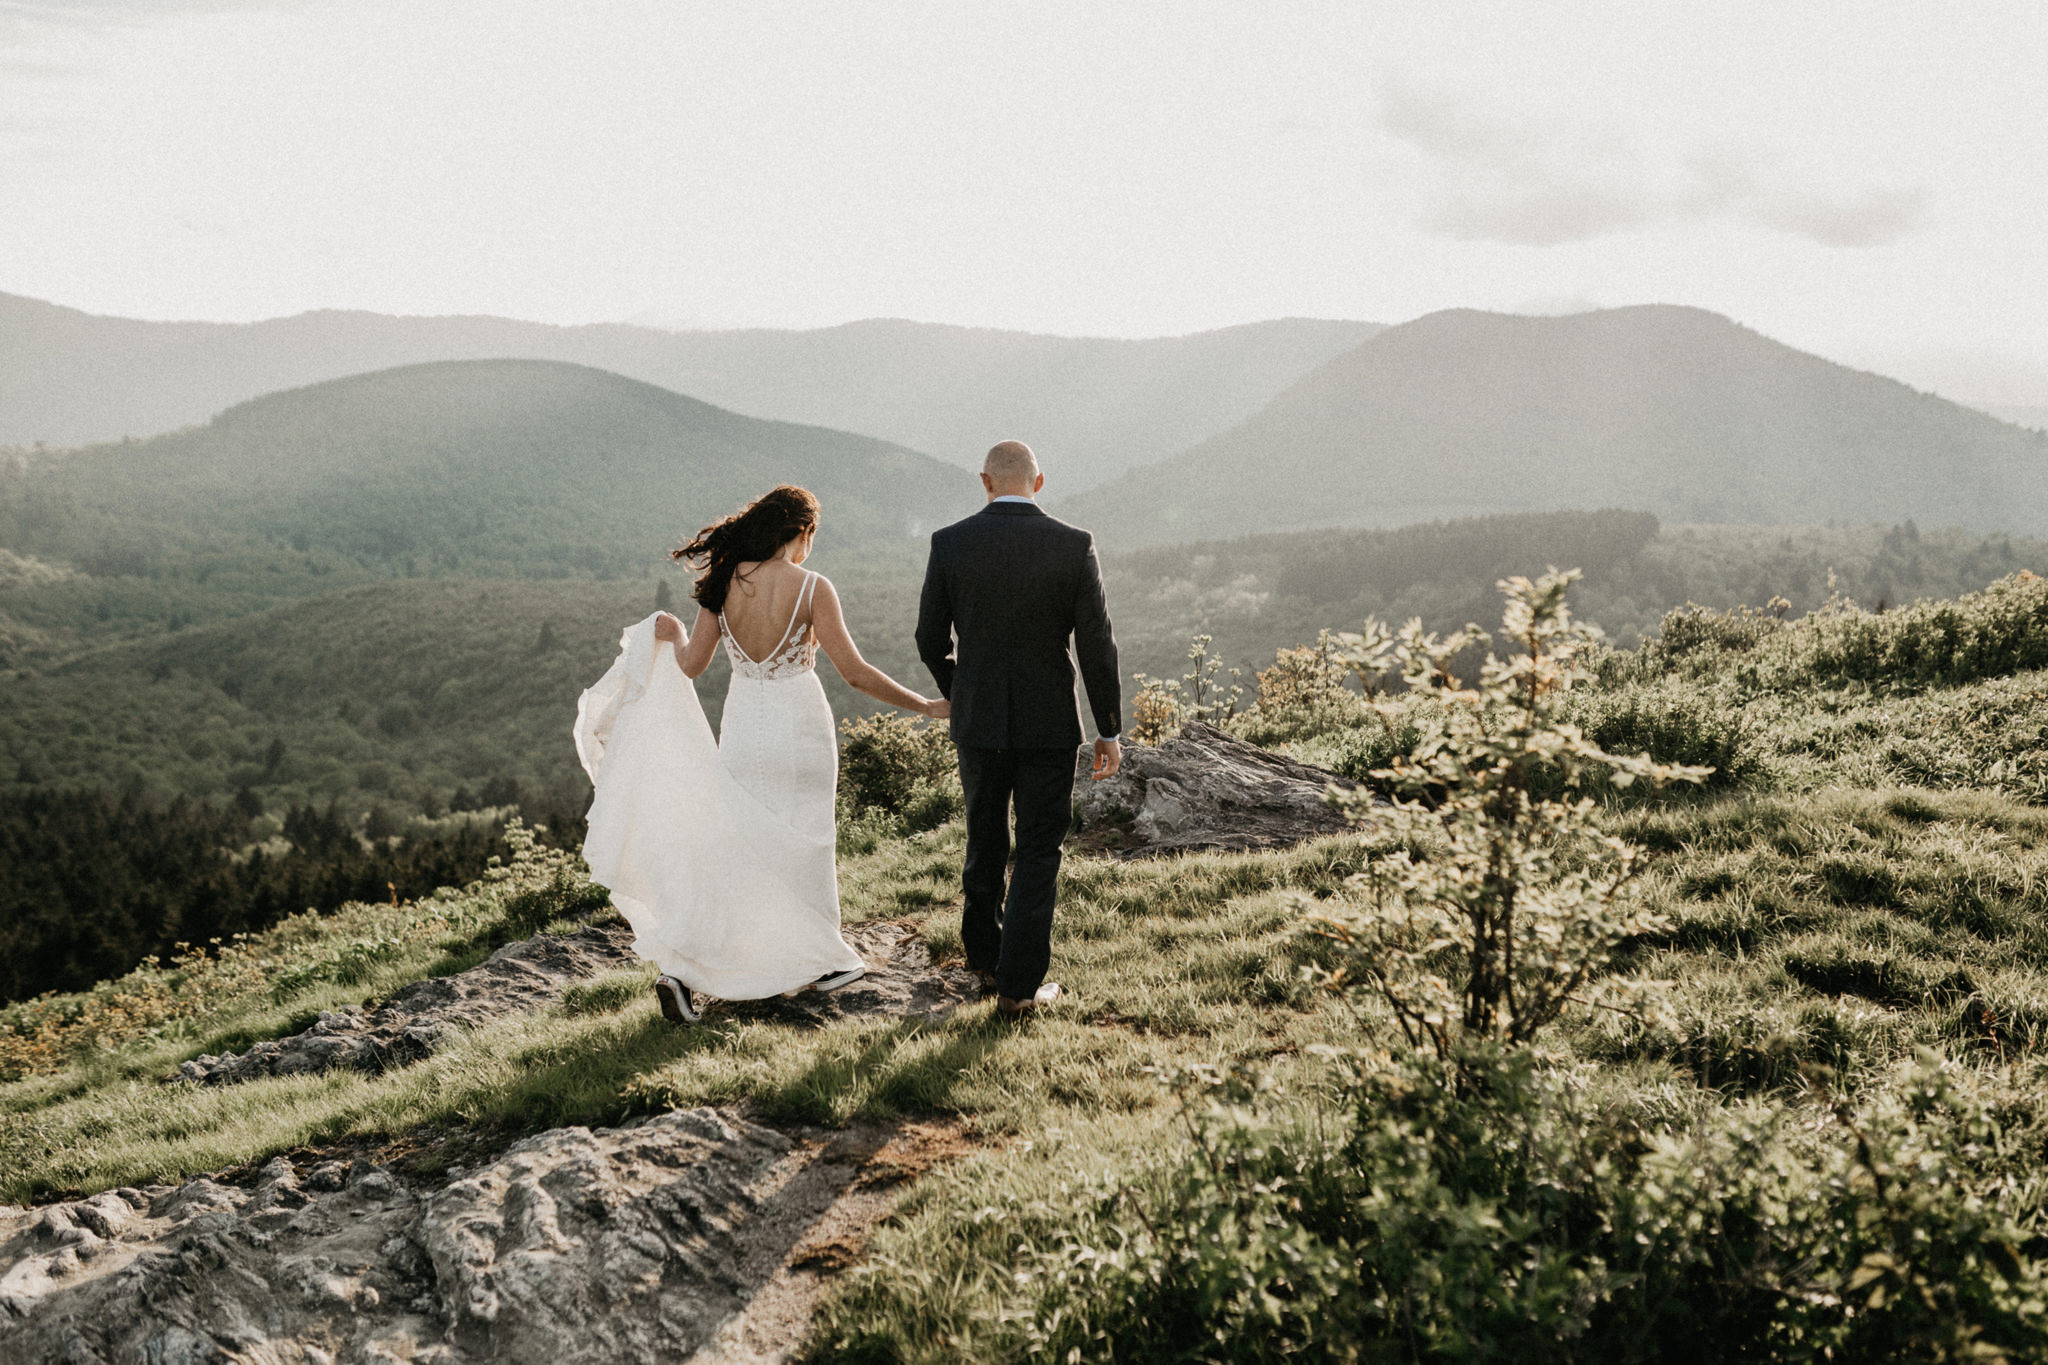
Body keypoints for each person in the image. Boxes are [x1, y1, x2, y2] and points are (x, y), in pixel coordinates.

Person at [575, 484, 948, 1025]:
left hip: (744, 724)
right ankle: (822, 961)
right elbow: (854, 672)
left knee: (741, 846)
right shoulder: (813, 587)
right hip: (798, 723)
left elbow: (690, 666)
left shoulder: (726, 581)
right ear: (800, 533)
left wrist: (676, 631)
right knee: (807, 838)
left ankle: (680, 972)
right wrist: (925, 705)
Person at [916, 440, 1121, 1019]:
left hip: (978, 719)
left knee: (984, 836)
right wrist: (1108, 728)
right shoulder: (1074, 544)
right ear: (1039, 481)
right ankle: (1018, 988)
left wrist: (962, 690)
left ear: (985, 481)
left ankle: (984, 958)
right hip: (1050, 721)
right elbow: (1097, 643)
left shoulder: (949, 543)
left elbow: (930, 640)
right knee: (1038, 850)